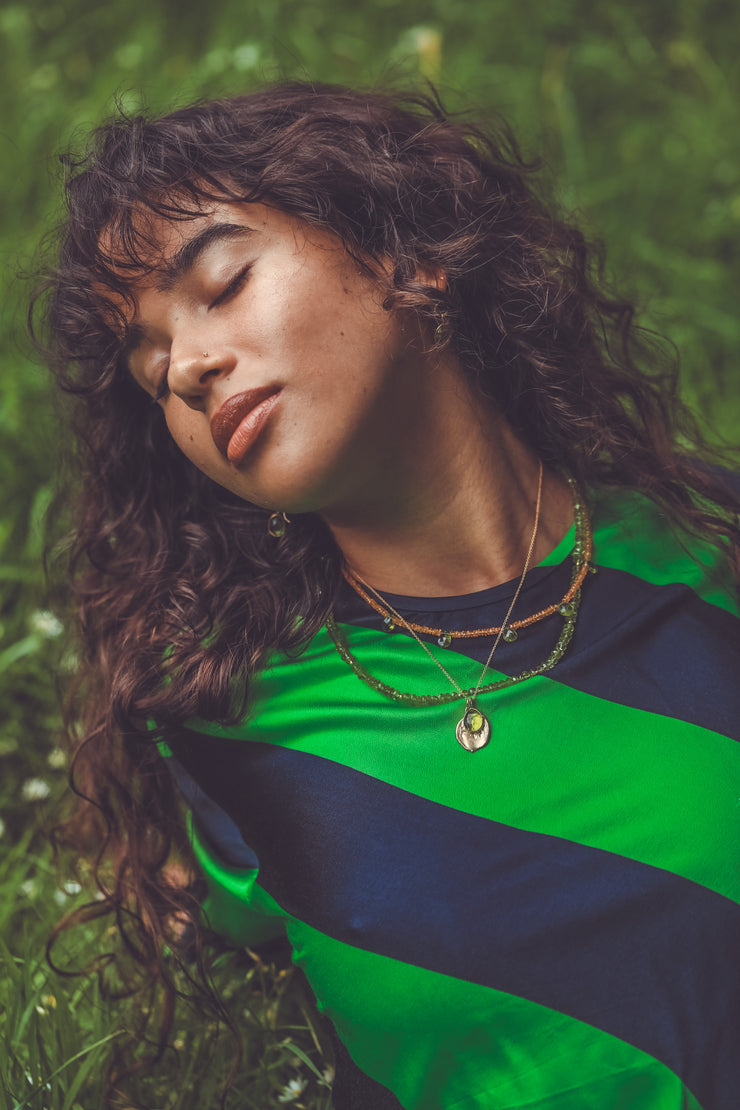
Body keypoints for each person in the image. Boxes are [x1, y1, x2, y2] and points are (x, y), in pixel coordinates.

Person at [36, 81, 740, 1110]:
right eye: (152, 371)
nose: (187, 365)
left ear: (408, 253)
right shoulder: (225, 731)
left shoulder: (708, 553)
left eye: (222, 284)